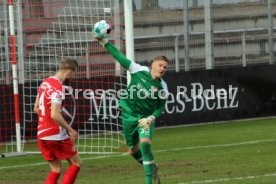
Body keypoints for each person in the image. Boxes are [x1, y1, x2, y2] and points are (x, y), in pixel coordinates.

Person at [93, 29, 168, 184]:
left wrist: (151, 118)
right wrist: (105, 42)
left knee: (146, 146)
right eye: (160, 65)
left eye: (165, 67)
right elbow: (119, 57)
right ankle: (153, 167)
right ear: (153, 65)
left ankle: (150, 179)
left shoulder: (163, 87)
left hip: (144, 119)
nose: (162, 69)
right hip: (128, 116)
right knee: (132, 150)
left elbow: (160, 107)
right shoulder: (138, 70)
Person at [33, 58, 82, 184]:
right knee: (76, 163)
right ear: (69, 72)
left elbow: (36, 108)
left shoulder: (45, 83)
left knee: (56, 168)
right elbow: (55, 114)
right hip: (55, 134)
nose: (72, 78)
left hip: (41, 134)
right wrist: (70, 130)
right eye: (73, 75)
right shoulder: (58, 87)